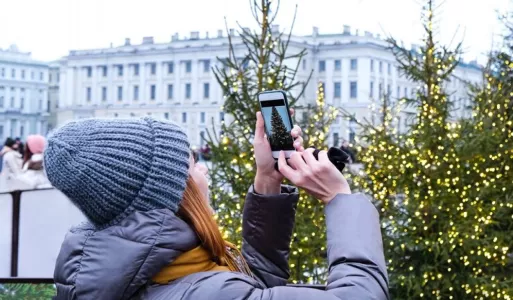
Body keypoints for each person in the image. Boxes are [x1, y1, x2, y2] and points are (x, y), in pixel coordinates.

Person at [45, 115, 389, 300]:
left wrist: (267, 180)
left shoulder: (152, 270)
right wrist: (339, 198)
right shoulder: (202, 291)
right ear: (172, 192)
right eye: (193, 163)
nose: (203, 169)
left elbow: (255, 285)